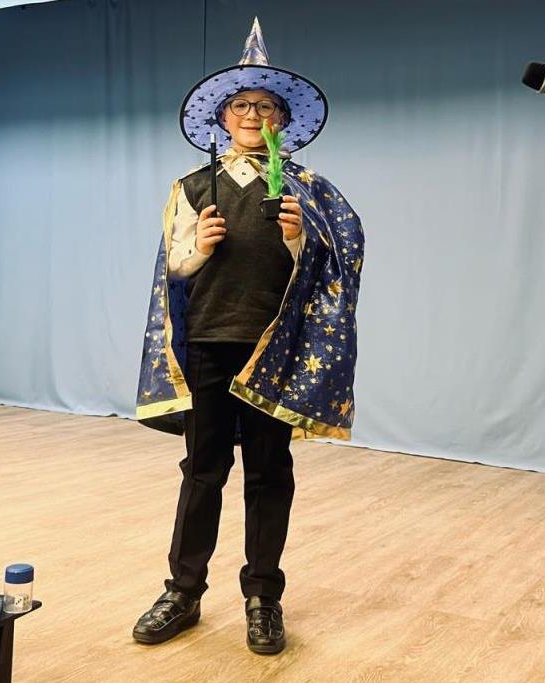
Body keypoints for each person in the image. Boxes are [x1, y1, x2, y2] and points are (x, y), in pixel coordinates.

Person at [132, 18, 363, 656]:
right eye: (242, 105)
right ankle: (183, 591)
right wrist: (197, 251)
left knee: (268, 473)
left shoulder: (307, 190)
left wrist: (297, 239)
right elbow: (172, 269)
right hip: (208, 342)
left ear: (282, 121)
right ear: (222, 117)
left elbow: (338, 262)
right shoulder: (192, 187)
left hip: (276, 349)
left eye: (265, 107)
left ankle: (263, 597)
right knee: (202, 470)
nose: (253, 115)